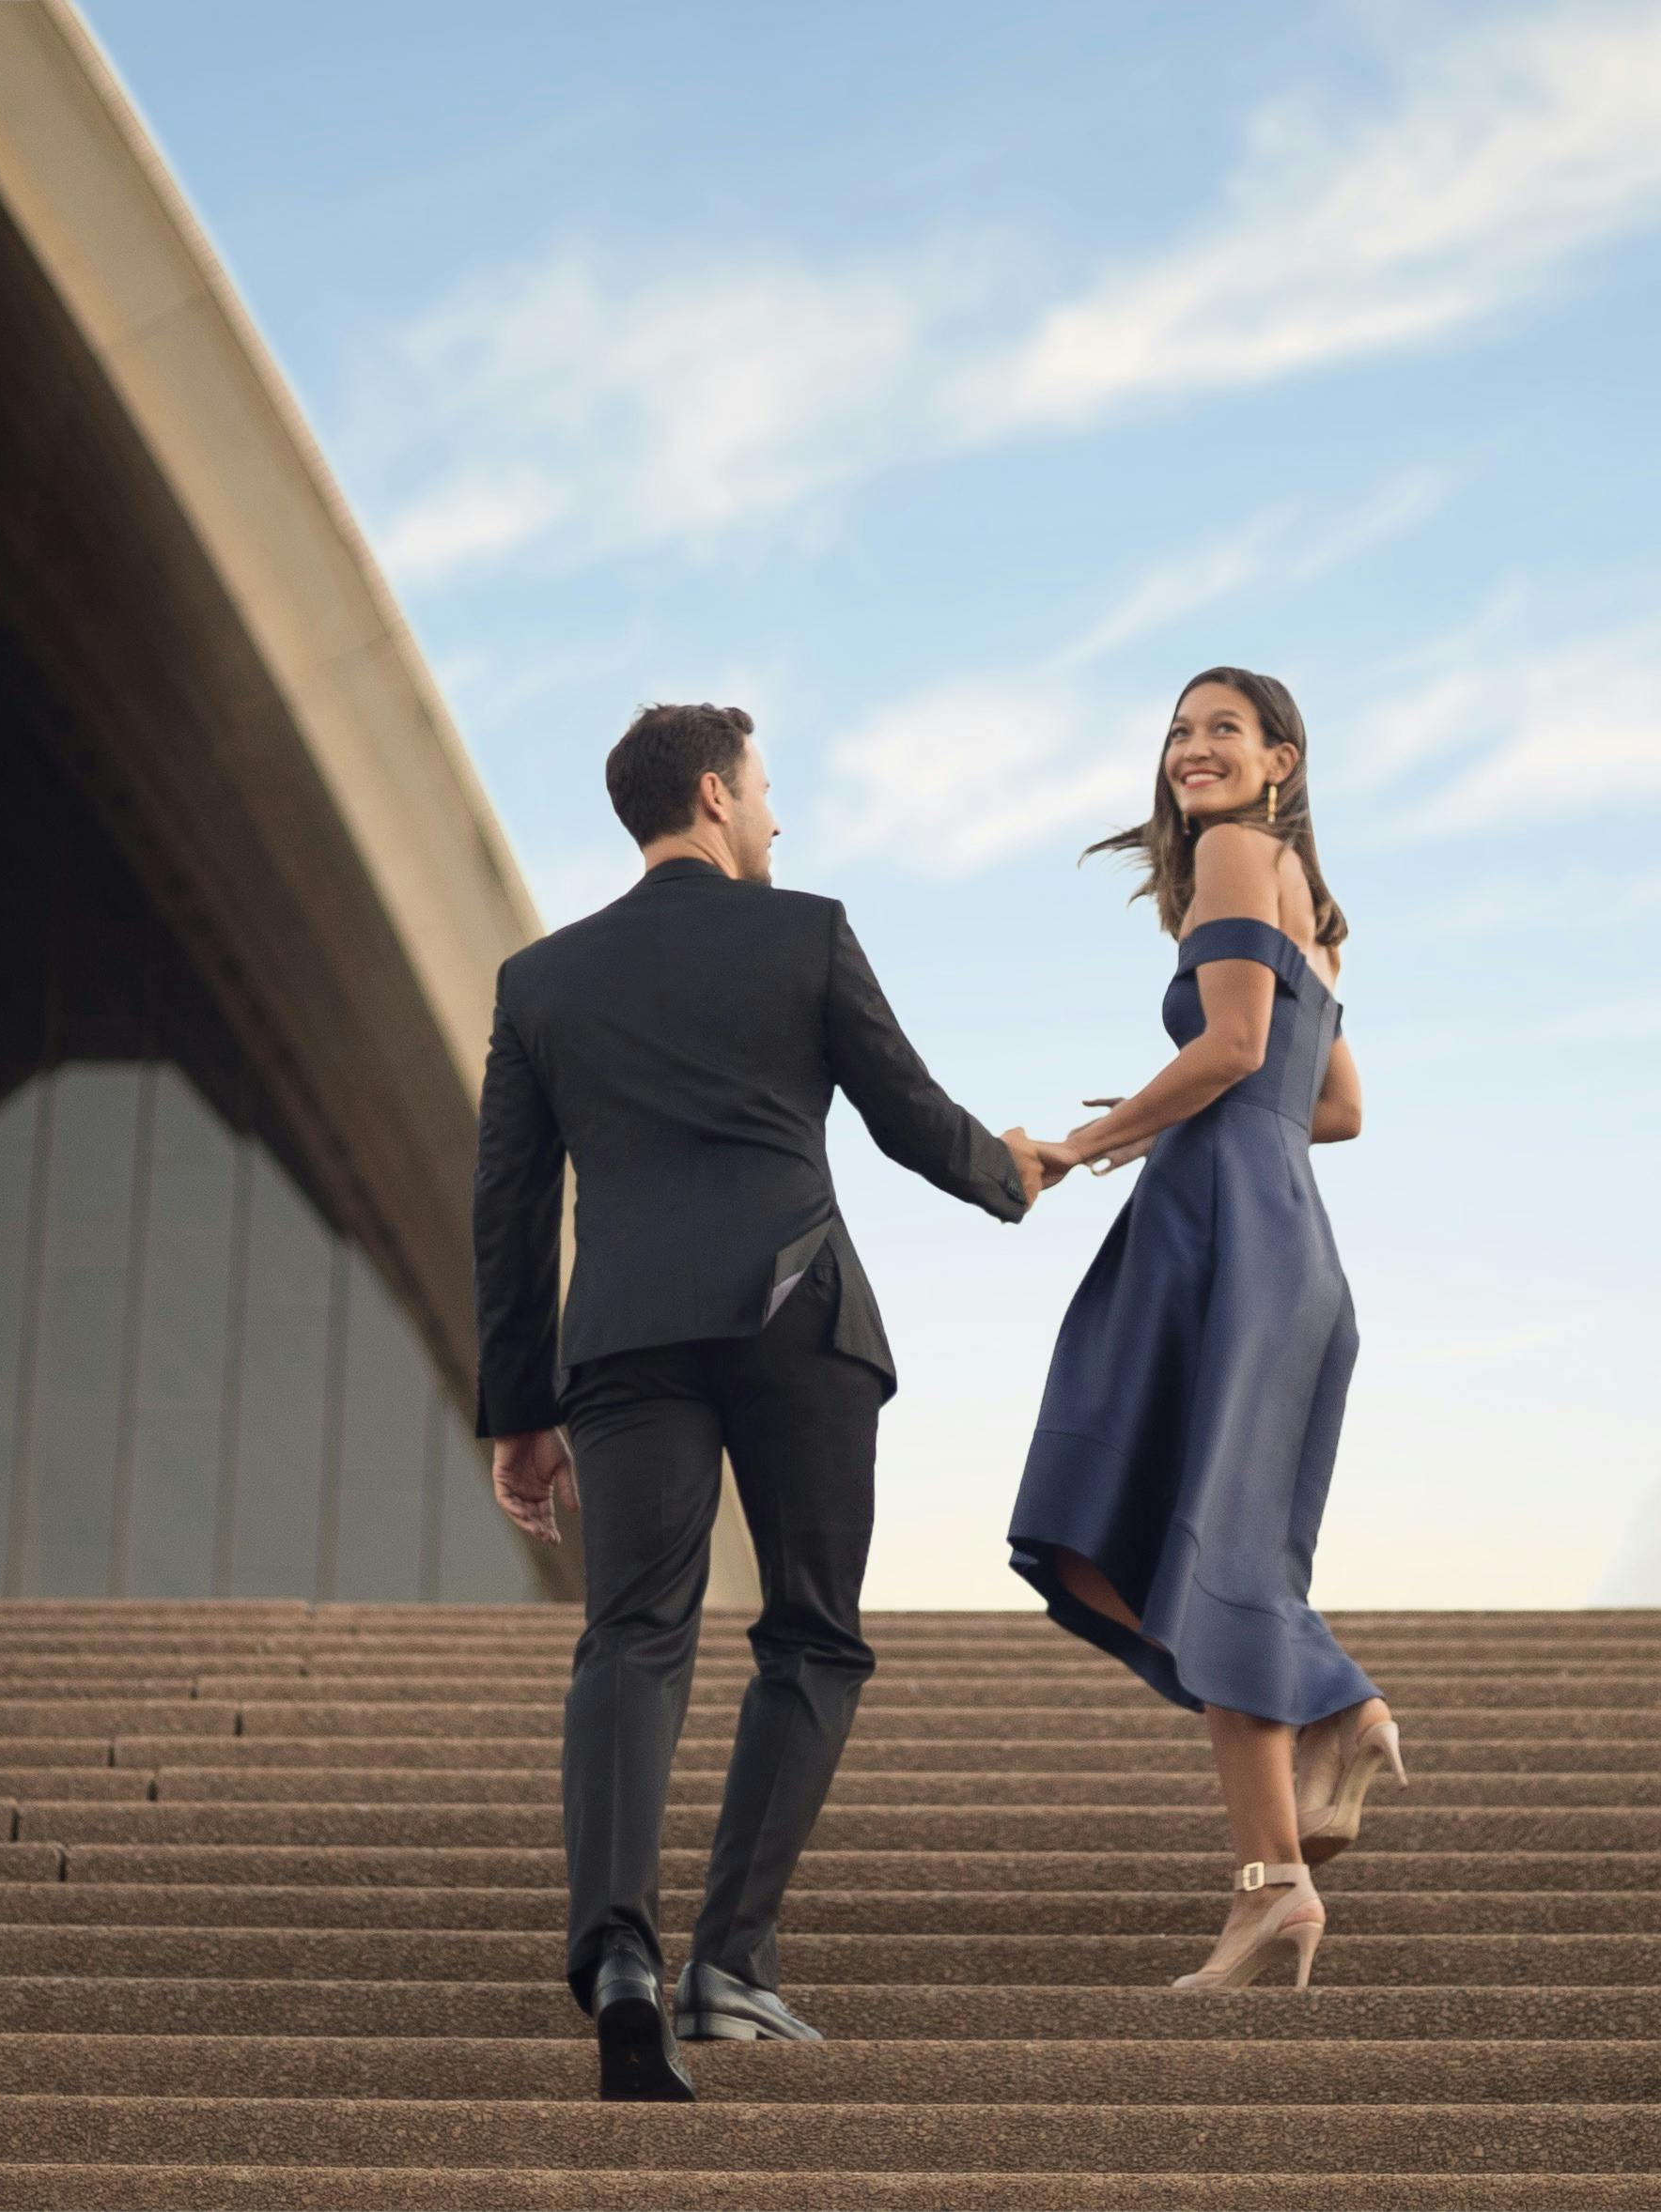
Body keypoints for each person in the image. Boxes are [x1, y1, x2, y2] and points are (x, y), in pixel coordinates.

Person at [473, 703, 1049, 2101]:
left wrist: (518, 1407)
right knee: (810, 1634)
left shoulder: (541, 980)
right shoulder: (804, 932)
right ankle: (731, 1962)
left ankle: (618, 1952)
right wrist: (1012, 1171)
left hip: (621, 1347)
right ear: (719, 797)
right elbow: (912, 1116)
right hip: (799, 1319)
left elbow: (505, 1210)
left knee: (633, 1636)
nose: (779, 821)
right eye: (770, 793)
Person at [1007, 665, 1402, 1993]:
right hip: (1284, 1230)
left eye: (1222, 730)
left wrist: (1094, 1138)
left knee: (1128, 1522)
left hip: (1220, 1232)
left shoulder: (1239, 853)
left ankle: (1332, 1704)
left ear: (1281, 761)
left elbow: (1233, 1045)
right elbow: (1330, 1106)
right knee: (1186, 1553)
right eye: (1177, 731)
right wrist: (1195, 1102)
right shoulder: (1315, 912)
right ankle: (1273, 1877)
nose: (1192, 749)